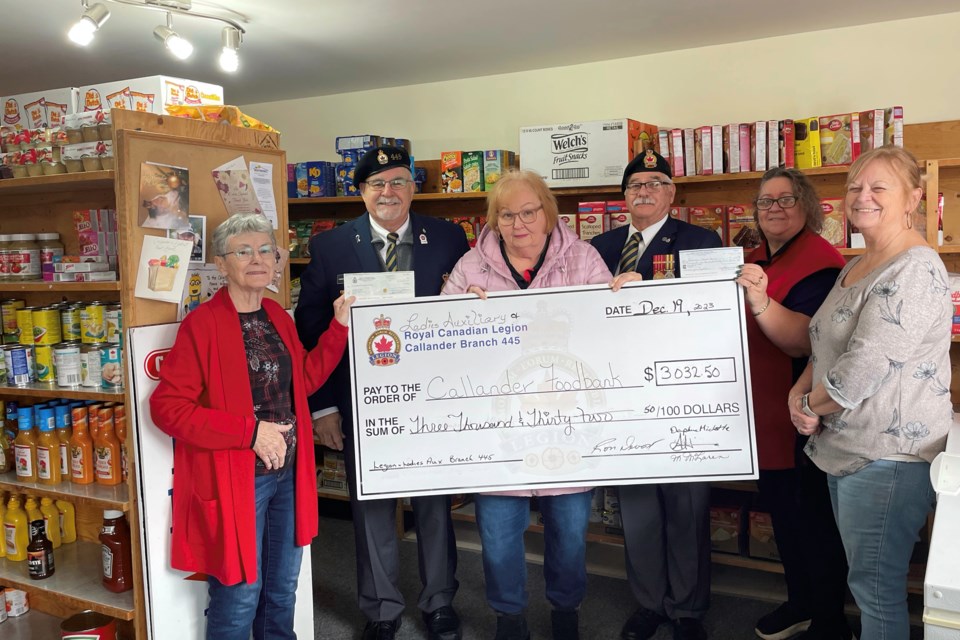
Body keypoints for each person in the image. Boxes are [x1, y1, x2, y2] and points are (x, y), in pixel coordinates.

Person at [442, 170, 632, 640]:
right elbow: (443, 339)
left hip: (569, 428)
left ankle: (565, 611)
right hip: (499, 431)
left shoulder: (584, 258)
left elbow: (611, 334)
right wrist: (458, 313)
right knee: (499, 536)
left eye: (529, 211)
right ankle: (510, 617)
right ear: (493, 220)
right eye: (506, 214)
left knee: (569, 533)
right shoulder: (470, 266)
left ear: (548, 214)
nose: (518, 222)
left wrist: (626, 300)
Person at [150, 213, 353, 640]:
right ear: (222, 265)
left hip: (290, 476)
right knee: (240, 593)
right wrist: (250, 432)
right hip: (237, 482)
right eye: (243, 251)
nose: (257, 259)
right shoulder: (201, 325)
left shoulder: (278, 315)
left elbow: (305, 381)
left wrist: (338, 328)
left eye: (266, 250)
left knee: (282, 590)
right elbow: (167, 409)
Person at [295, 145, 469, 640]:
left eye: (397, 181)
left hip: (434, 398)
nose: (387, 192)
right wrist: (323, 406)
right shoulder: (330, 247)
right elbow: (311, 330)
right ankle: (381, 610)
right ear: (361, 191)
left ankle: (439, 601)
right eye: (376, 184)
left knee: (434, 503)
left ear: (414, 187)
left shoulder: (450, 237)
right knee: (370, 505)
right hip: (359, 402)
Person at [790, 146, 952, 639]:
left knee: (876, 590)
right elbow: (822, 345)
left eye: (879, 187)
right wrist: (800, 394)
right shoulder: (857, 264)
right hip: (846, 449)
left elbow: (864, 368)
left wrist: (807, 405)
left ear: (913, 198)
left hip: (888, 458)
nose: (863, 197)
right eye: (855, 187)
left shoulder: (915, 268)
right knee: (865, 585)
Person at [590, 149, 722, 640]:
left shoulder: (699, 240)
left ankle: (687, 610)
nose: (642, 191)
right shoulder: (597, 246)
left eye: (653, 182)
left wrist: (651, 292)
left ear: (671, 193)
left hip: (679, 394)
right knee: (639, 509)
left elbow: (710, 313)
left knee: (686, 508)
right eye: (633, 184)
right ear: (622, 195)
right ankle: (648, 604)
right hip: (620, 397)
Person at [735, 168, 850, 640]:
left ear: (807, 206)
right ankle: (801, 603)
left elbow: (805, 342)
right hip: (765, 415)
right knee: (785, 518)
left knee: (813, 525)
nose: (775, 208)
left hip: (802, 418)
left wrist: (760, 303)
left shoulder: (820, 263)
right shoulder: (760, 256)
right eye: (766, 202)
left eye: (786, 199)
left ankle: (828, 620)